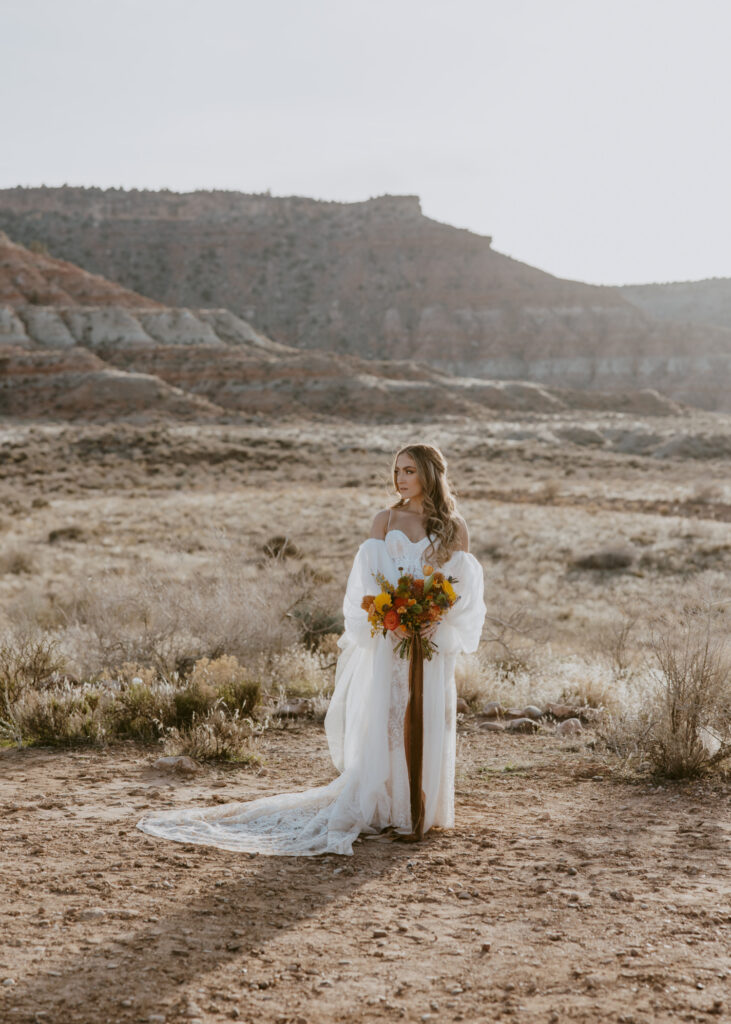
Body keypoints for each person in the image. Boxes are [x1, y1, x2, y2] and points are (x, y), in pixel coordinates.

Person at [137, 444, 486, 856]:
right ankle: (388, 809)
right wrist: (391, 619)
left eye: (409, 470)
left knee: (428, 718)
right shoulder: (385, 520)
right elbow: (368, 585)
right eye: (397, 471)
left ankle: (421, 811)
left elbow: (462, 592)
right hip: (391, 643)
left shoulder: (454, 528)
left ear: (430, 474)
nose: (400, 479)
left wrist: (433, 619)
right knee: (389, 721)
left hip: (429, 644)